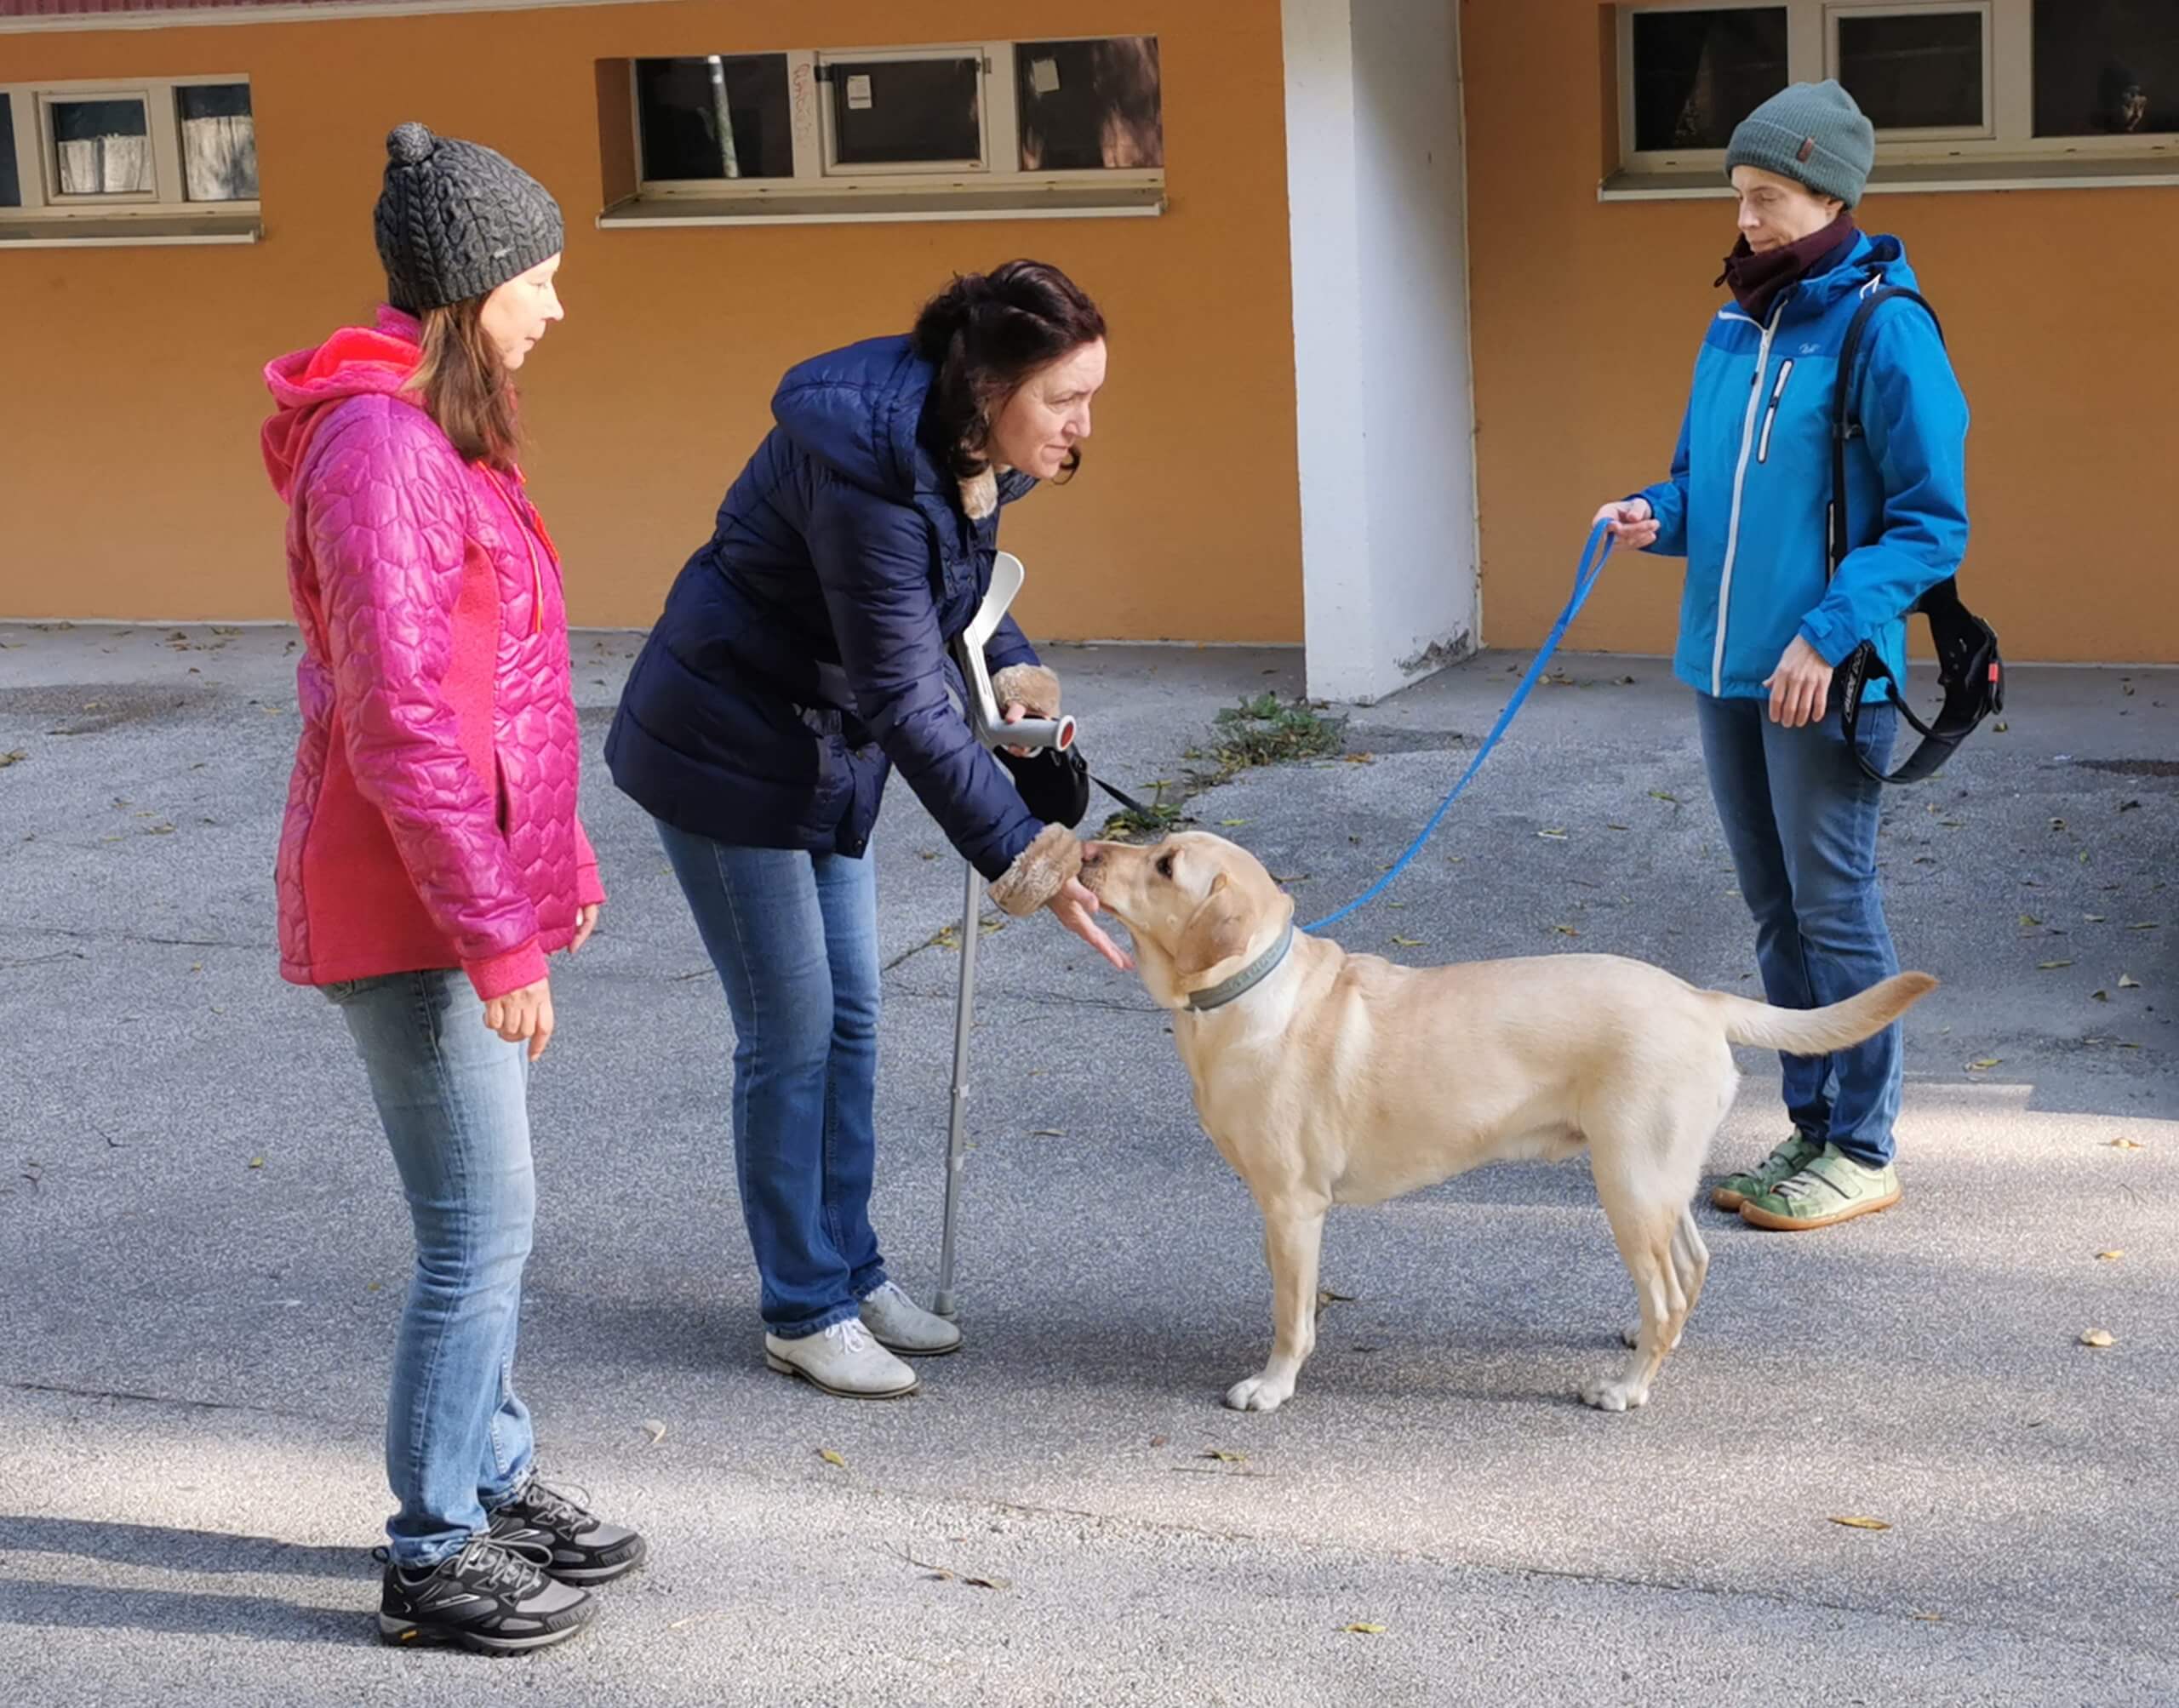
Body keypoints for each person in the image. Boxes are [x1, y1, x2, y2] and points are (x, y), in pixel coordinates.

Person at [608, 260, 1128, 1400]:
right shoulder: (870, 473)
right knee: (792, 1028)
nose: (1084, 426)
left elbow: (950, 585)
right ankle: (803, 1307)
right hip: (726, 749)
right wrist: (1029, 853)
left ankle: (850, 1271)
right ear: (990, 384)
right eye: (1065, 400)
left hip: (818, 746)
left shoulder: (963, 441)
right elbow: (903, 693)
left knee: (851, 1015)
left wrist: (1007, 661)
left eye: (1091, 396)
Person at [263, 123, 643, 1653]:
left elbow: (508, 687)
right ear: (474, 286)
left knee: (498, 1217)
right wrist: (498, 937)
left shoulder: (435, 434)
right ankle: (430, 1554)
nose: (554, 309)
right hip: (406, 904)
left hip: (465, 886)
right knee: (477, 1232)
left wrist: (562, 864)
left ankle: (486, 1479)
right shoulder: (381, 454)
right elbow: (406, 720)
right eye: (539, 281)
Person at [1593, 81, 1968, 1232]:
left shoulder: (1883, 325)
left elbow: (1928, 521)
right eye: (1739, 196)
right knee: (1773, 909)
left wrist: (1829, 631)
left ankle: (1863, 1145)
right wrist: (1659, 511)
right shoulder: (1738, 319)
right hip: (1725, 669)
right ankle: (1809, 1126)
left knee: (1833, 907)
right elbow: (1714, 484)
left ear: (1831, 194)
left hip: (1824, 672)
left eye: (1767, 198)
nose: (1745, 219)